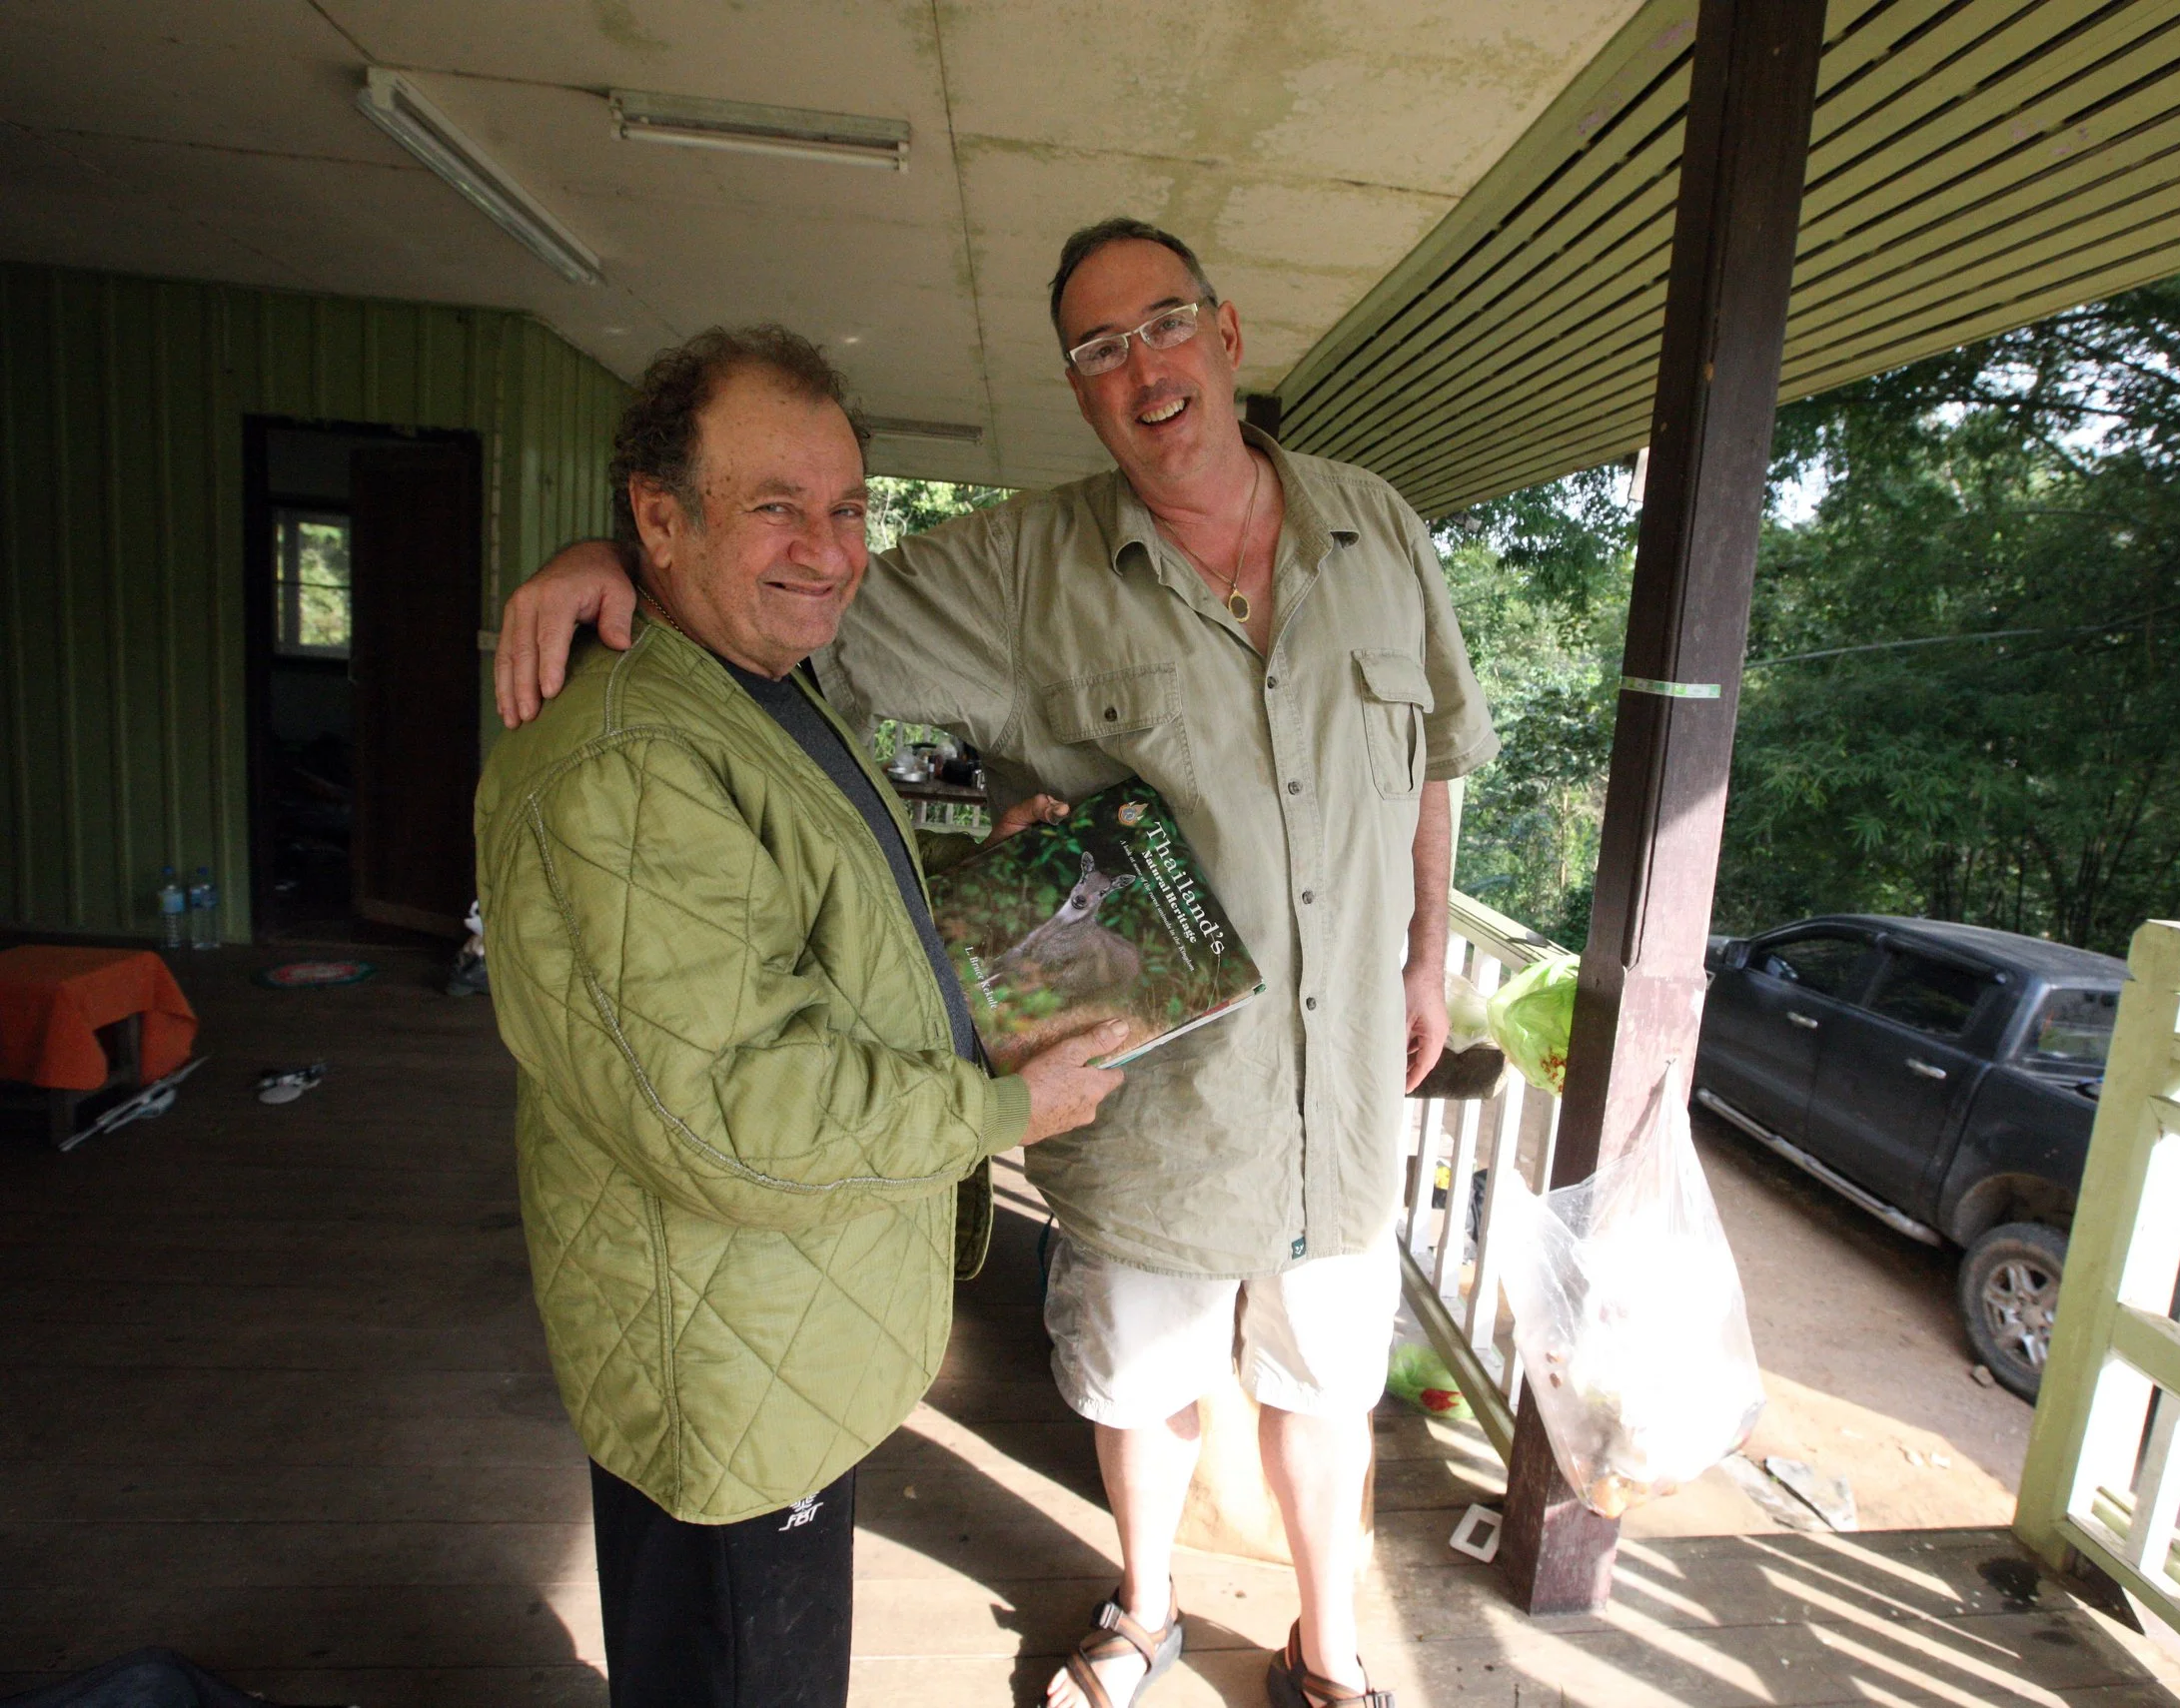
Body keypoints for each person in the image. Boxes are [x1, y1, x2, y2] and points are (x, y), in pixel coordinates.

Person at [495, 222, 1500, 1708]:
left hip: (1343, 1078)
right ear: (1080, 393)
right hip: (1144, 1092)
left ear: (1225, 336)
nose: (1140, 369)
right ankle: (1148, 1607)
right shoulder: (1024, 561)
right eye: (1098, 351)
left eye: (1162, 326)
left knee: (1327, 1382)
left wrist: (1427, 950)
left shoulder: (1378, 527)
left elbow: (1438, 753)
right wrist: (605, 559)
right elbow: (794, 627)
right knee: (1142, 1386)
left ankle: (1329, 1649)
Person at [475, 326, 1124, 1708]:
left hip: (770, 1338)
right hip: (731, 1372)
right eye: (777, 507)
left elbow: (807, 928)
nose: (829, 549)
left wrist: (980, 884)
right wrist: (1011, 1109)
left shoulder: (749, 689)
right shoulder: (634, 763)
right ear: (658, 516)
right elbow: (741, 1111)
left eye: (845, 508)